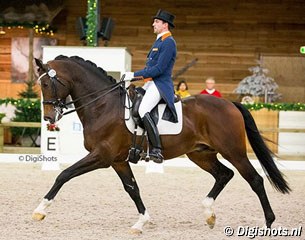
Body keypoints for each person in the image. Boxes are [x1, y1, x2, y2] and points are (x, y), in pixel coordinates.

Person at [124, 9, 178, 163]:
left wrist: (134, 75)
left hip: (161, 84)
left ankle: (156, 150)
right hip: (151, 83)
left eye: (156, 22)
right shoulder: (159, 41)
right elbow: (150, 68)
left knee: (143, 109)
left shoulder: (168, 42)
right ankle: (137, 146)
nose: (153, 24)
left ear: (165, 25)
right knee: (133, 104)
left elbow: (159, 69)